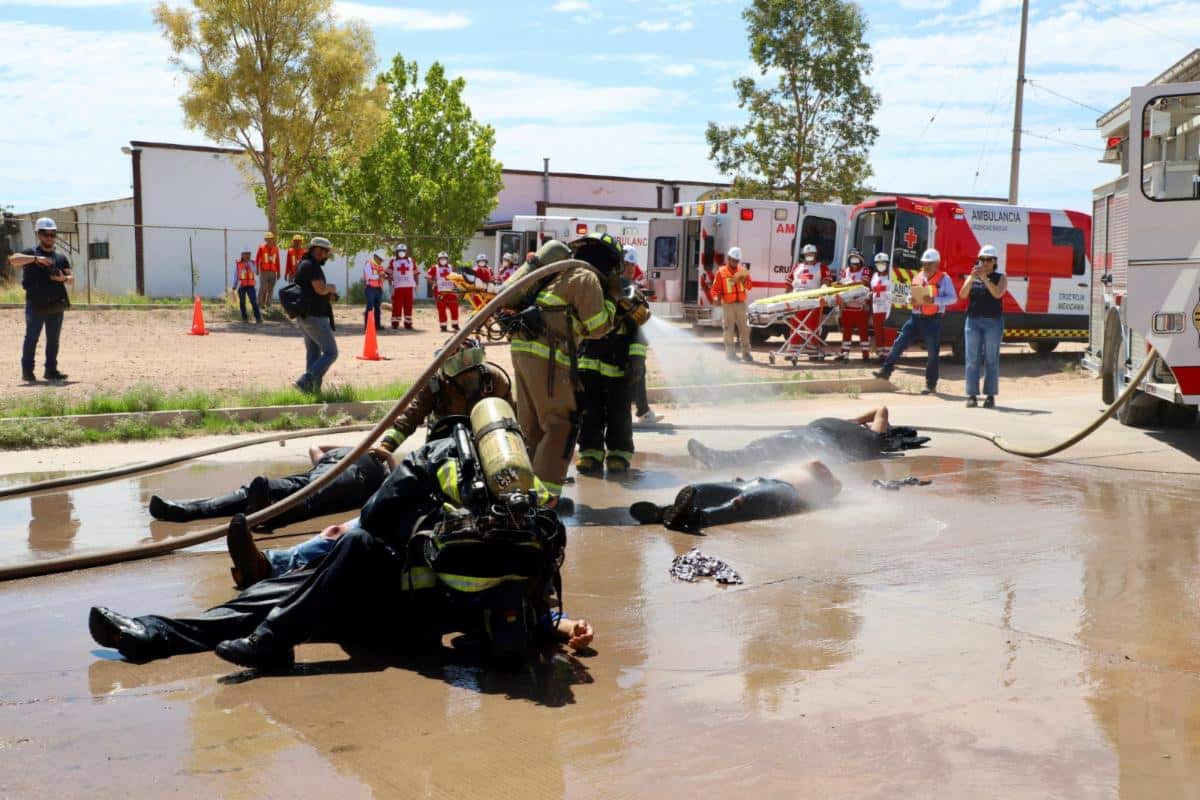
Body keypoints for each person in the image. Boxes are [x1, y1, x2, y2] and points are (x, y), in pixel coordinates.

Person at [88, 417, 593, 669]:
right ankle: (152, 634)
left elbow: (374, 520)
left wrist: (416, 473)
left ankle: (261, 628)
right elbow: (540, 598)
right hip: (400, 614)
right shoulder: (534, 510)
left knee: (342, 553)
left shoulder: (444, 476)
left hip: (398, 622)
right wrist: (566, 625)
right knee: (307, 581)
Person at [221, 339, 515, 588]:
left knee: (363, 535)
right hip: (434, 472)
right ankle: (269, 565)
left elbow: (512, 432)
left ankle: (274, 569)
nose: (467, 382)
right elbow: (407, 419)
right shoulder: (436, 384)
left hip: (474, 479)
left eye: (470, 374)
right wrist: (384, 448)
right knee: (346, 530)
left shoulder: (495, 382)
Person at [500, 236, 622, 506]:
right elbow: (598, 326)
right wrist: (613, 299)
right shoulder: (585, 277)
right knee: (561, 425)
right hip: (549, 356)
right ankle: (543, 501)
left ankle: (518, 497)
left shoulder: (558, 273)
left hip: (524, 350)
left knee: (532, 430)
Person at [148, 443, 390, 528]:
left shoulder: (381, 466)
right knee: (257, 488)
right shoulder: (344, 451)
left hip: (353, 480)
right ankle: (188, 510)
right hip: (315, 475)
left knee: (311, 497)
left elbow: (394, 479)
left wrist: (384, 454)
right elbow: (316, 448)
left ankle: (270, 513)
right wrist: (355, 445)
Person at [629, 459, 842, 532]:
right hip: (755, 482)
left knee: (740, 504)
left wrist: (833, 483)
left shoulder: (823, 492)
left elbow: (834, 485)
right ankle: (667, 510)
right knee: (701, 490)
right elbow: (815, 462)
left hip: (782, 492)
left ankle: (698, 517)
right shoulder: (810, 468)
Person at [685, 407, 928, 468]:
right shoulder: (864, 436)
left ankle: (721, 459)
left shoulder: (875, 440)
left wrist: (856, 420)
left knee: (771, 448)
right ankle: (721, 458)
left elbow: (881, 410)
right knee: (768, 446)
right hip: (814, 436)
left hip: (821, 442)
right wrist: (854, 422)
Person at [873, 248, 955, 394]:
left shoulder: (944, 279)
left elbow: (952, 298)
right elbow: (908, 296)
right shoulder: (917, 277)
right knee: (899, 343)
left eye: (930, 264)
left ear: (937, 264)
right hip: (915, 318)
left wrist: (935, 300)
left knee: (932, 354)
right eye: (924, 263)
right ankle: (886, 371)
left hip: (933, 320)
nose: (926, 266)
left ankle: (931, 385)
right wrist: (908, 299)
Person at [576, 308, 646, 477]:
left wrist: (637, 359)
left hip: (619, 368)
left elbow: (639, 331)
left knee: (619, 415)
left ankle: (619, 455)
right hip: (588, 365)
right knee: (589, 414)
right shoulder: (587, 290)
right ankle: (590, 454)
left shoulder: (627, 295)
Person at [9, 217, 72, 383]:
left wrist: (63, 279)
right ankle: (27, 372)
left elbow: (70, 277)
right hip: (35, 304)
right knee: (31, 338)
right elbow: (13, 260)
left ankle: (51, 371)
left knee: (53, 340)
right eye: (46, 234)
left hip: (56, 304)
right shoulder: (30, 253)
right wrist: (36, 259)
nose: (50, 237)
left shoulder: (60, 257)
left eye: (53, 234)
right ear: (39, 234)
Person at [960, 244, 1008, 408]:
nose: (985, 262)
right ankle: (972, 395)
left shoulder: (1001, 277)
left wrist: (985, 279)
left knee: (991, 359)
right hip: (973, 321)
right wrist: (972, 278)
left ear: (995, 261)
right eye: (982, 259)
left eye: (989, 259)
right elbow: (962, 294)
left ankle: (990, 395)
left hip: (993, 322)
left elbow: (997, 293)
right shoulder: (973, 276)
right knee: (972, 358)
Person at [293, 236, 339, 394]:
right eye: (325, 252)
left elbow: (314, 291)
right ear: (317, 249)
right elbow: (320, 289)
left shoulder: (305, 264)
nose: (326, 256)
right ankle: (305, 380)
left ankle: (312, 392)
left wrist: (328, 295)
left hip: (307, 316)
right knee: (331, 352)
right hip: (315, 317)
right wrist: (330, 288)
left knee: (313, 354)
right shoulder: (311, 265)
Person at [786, 243, 831, 357]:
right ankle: (793, 348)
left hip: (813, 299)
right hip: (796, 299)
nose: (809, 256)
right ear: (803, 255)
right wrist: (786, 297)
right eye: (807, 254)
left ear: (816, 255)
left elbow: (826, 281)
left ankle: (812, 348)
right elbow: (789, 283)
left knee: (812, 324)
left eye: (811, 254)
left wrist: (824, 288)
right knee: (795, 323)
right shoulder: (797, 267)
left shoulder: (822, 267)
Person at [711, 246, 753, 363]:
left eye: (737, 260)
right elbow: (714, 290)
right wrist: (715, 298)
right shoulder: (721, 272)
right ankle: (730, 354)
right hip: (728, 305)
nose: (735, 262)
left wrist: (743, 279)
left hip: (741, 304)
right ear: (728, 259)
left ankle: (746, 353)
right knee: (728, 330)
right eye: (733, 260)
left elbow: (750, 286)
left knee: (745, 330)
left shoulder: (742, 271)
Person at [835, 249, 871, 361]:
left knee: (863, 331)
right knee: (846, 331)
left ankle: (865, 354)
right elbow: (840, 286)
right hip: (848, 305)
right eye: (852, 259)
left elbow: (864, 282)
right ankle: (844, 352)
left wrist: (849, 284)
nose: (854, 263)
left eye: (856, 259)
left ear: (860, 260)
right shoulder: (844, 271)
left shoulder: (865, 270)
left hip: (861, 305)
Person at [868, 252, 893, 360]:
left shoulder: (891, 275)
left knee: (888, 331)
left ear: (887, 264)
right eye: (878, 263)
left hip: (887, 308)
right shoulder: (874, 276)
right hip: (876, 308)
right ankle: (880, 354)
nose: (880, 265)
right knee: (878, 331)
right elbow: (873, 290)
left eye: (882, 263)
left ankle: (889, 354)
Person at [428, 252, 460, 332]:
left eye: (445, 259)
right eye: (441, 259)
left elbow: (455, 278)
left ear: (447, 259)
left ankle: (455, 324)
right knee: (441, 309)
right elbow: (428, 277)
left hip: (451, 291)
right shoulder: (434, 267)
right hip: (440, 292)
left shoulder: (451, 267)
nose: (443, 260)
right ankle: (443, 326)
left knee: (454, 308)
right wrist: (434, 282)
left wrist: (457, 288)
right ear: (438, 260)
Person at [387, 244, 416, 330]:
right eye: (400, 251)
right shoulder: (393, 261)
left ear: (406, 252)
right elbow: (388, 274)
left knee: (408, 306)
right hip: (397, 287)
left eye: (403, 251)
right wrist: (390, 286)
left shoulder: (411, 261)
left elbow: (416, 273)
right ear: (397, 252)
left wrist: (417, 285)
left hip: (409, 287)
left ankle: (408, 323)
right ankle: (395, 323)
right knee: (397, 306)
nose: (402, 253)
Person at [233, 247, 262, 324]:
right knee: (242, 302)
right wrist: (234, 285)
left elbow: (256, 271)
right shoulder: (238, 263)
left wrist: (249, 263)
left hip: (250, 286)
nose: (247, 255)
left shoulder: (253, 263)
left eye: (249, 254)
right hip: (241, 285)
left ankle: (258, 318)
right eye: (245, 254)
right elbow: (236, 275)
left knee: (254, 301)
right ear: (242, 255)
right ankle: (244, 318)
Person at [255, 232, 280, 309]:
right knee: (263, 287)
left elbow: (277, 261)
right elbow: (257, 259)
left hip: (273, 272)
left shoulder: (276, 249)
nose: (269, 240)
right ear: (265, 239)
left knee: (271, 288)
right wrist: (257, 269)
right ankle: (260, 304)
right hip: (264, 271)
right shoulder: (261, 248)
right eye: (267, 239)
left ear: (273, 239)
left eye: (271, 239)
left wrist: (278, 272)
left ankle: (268, 304)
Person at [362, 253, 386, 331]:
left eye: (382, 260)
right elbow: (369, 276)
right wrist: (379, 276)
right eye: (380, 259)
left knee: (377, 308)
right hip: (370, 289)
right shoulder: (368, 264)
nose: (381, 261)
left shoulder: (380, 267)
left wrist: (385, 277)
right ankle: (368, 326)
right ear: (375, 257)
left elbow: (383, 277)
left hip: (378, 289)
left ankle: (377, 325)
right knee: (370, 307)